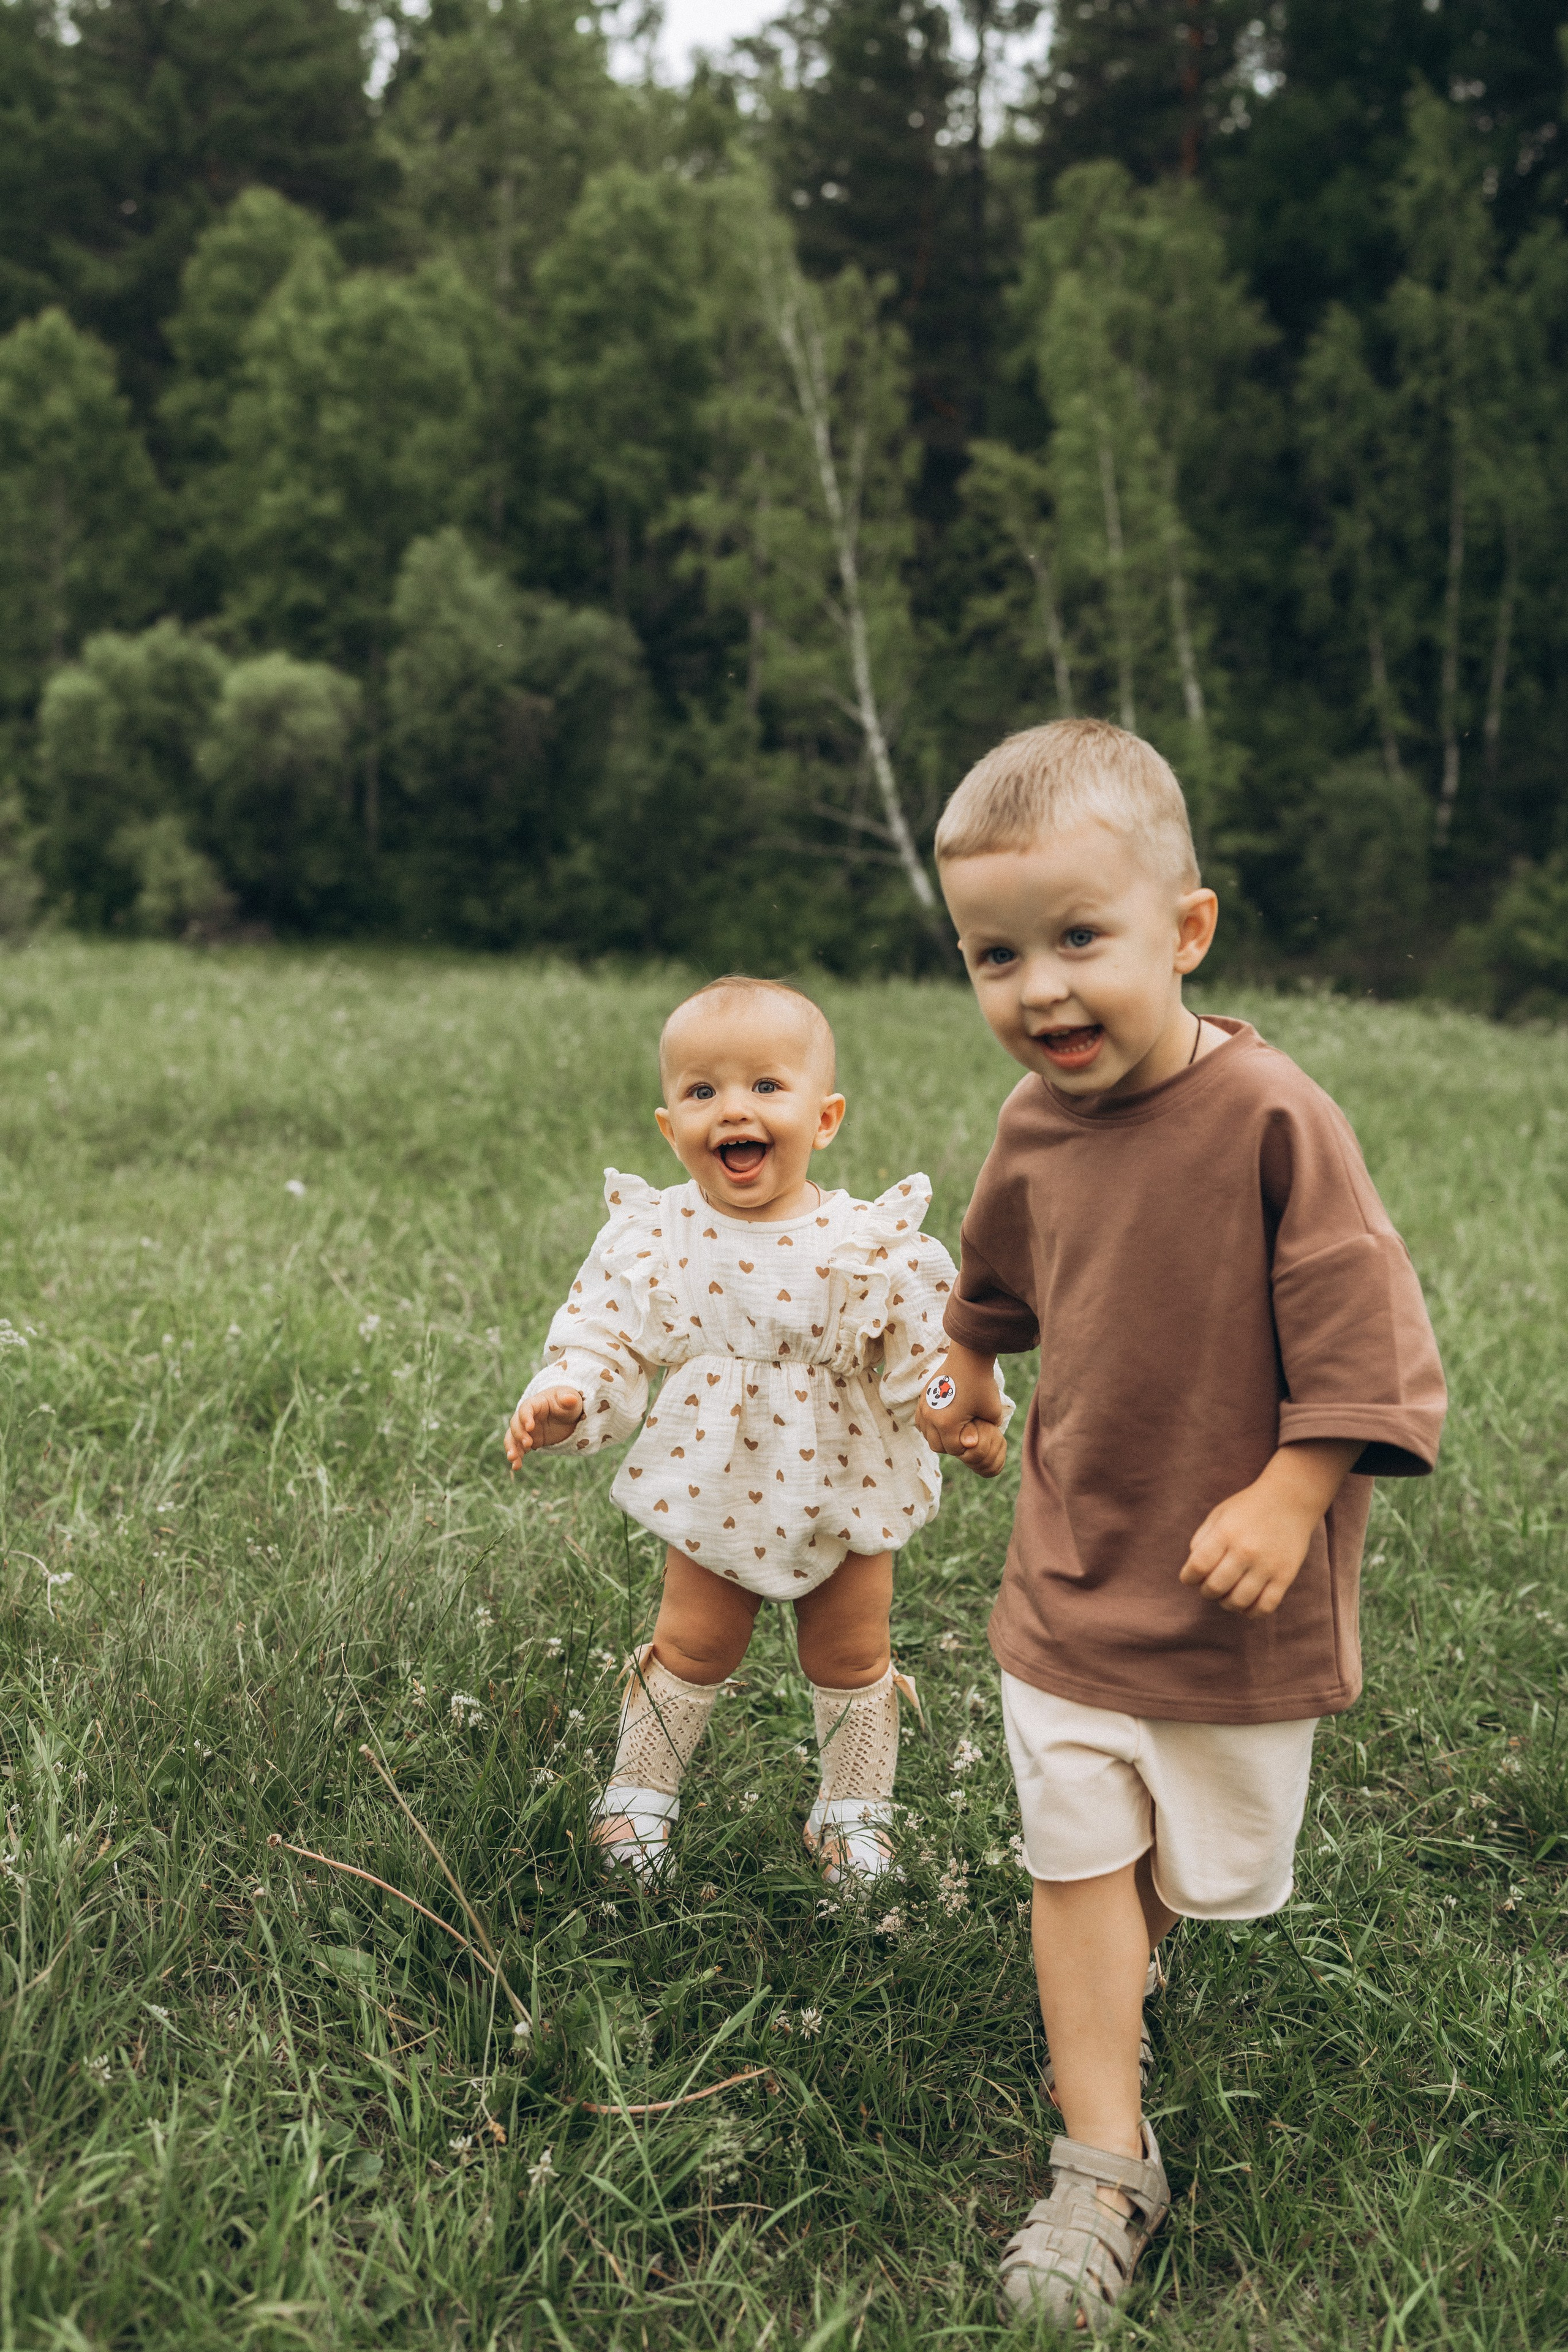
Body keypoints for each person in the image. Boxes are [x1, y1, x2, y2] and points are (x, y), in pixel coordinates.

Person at [915, 718, 1446, 2330]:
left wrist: (1297, 1491)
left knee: (1193, 1870)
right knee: (1076, 1847)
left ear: (1188, 931)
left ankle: (1133, 1957)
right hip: (1075, 1569)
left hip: (1232, 1600)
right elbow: (999, 1282)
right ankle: (1102, 2161)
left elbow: (1373, 1340)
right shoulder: (1031, 1128)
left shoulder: (1277, 1119)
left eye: (1082, 940)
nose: (1042, 991)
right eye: (995, 956)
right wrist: (967, 1371)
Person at [506, 974, 997, 1883]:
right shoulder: (662, 1235)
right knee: (694, 1643)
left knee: (854, 1654)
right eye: (702, 1092)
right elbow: (608, 1333)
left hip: (848, 1477)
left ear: (825, 1117)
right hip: (714, 1481)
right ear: (671, 1127)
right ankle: (638, 1797)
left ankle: (852, 1816)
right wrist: (568, 1391)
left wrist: (957, 1414)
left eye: (766, 1087)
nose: (733, 1108)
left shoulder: (868, 1241)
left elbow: (926, 1351)